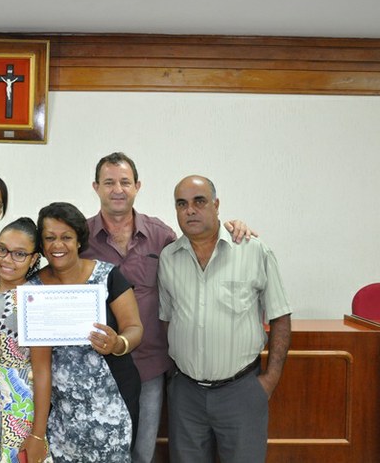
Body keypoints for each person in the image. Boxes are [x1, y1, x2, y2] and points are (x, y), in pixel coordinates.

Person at [81, 152, 255, 463]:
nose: (117, 189)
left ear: (137, 186)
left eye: (125, 182)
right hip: (96, 366)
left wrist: (232, 227)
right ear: (96, 187)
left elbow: (200, 242)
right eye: (109, 182)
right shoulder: (81, 237)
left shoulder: (160, 235)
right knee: (97, 452)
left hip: (149, 366)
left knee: (142, 452)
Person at [158, 176, 292, 463]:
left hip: (241, 391)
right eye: (181, 204)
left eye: (199, 201)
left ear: (216, 205)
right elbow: (167, 318)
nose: (190, 210)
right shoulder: (169, 257)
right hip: (186, 395)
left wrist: (270, 379)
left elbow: (280, 316)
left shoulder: (253, 250)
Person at [29, 202, 143, 463]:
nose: (58, 245)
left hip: (112, 403)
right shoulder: (33, 288)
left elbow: (135, 328)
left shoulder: (107, 276)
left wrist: (118, 343)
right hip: (61, 411)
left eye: (66, 237)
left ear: (79, 240)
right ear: (42, 244)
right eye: (50, 238)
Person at [0, 217, 52, 463]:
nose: (7, 259)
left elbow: (42, 370)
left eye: (19, 254)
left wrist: (38, 434)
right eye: (2, 249)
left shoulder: (34, 299)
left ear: (33, 259)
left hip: (18, 404)